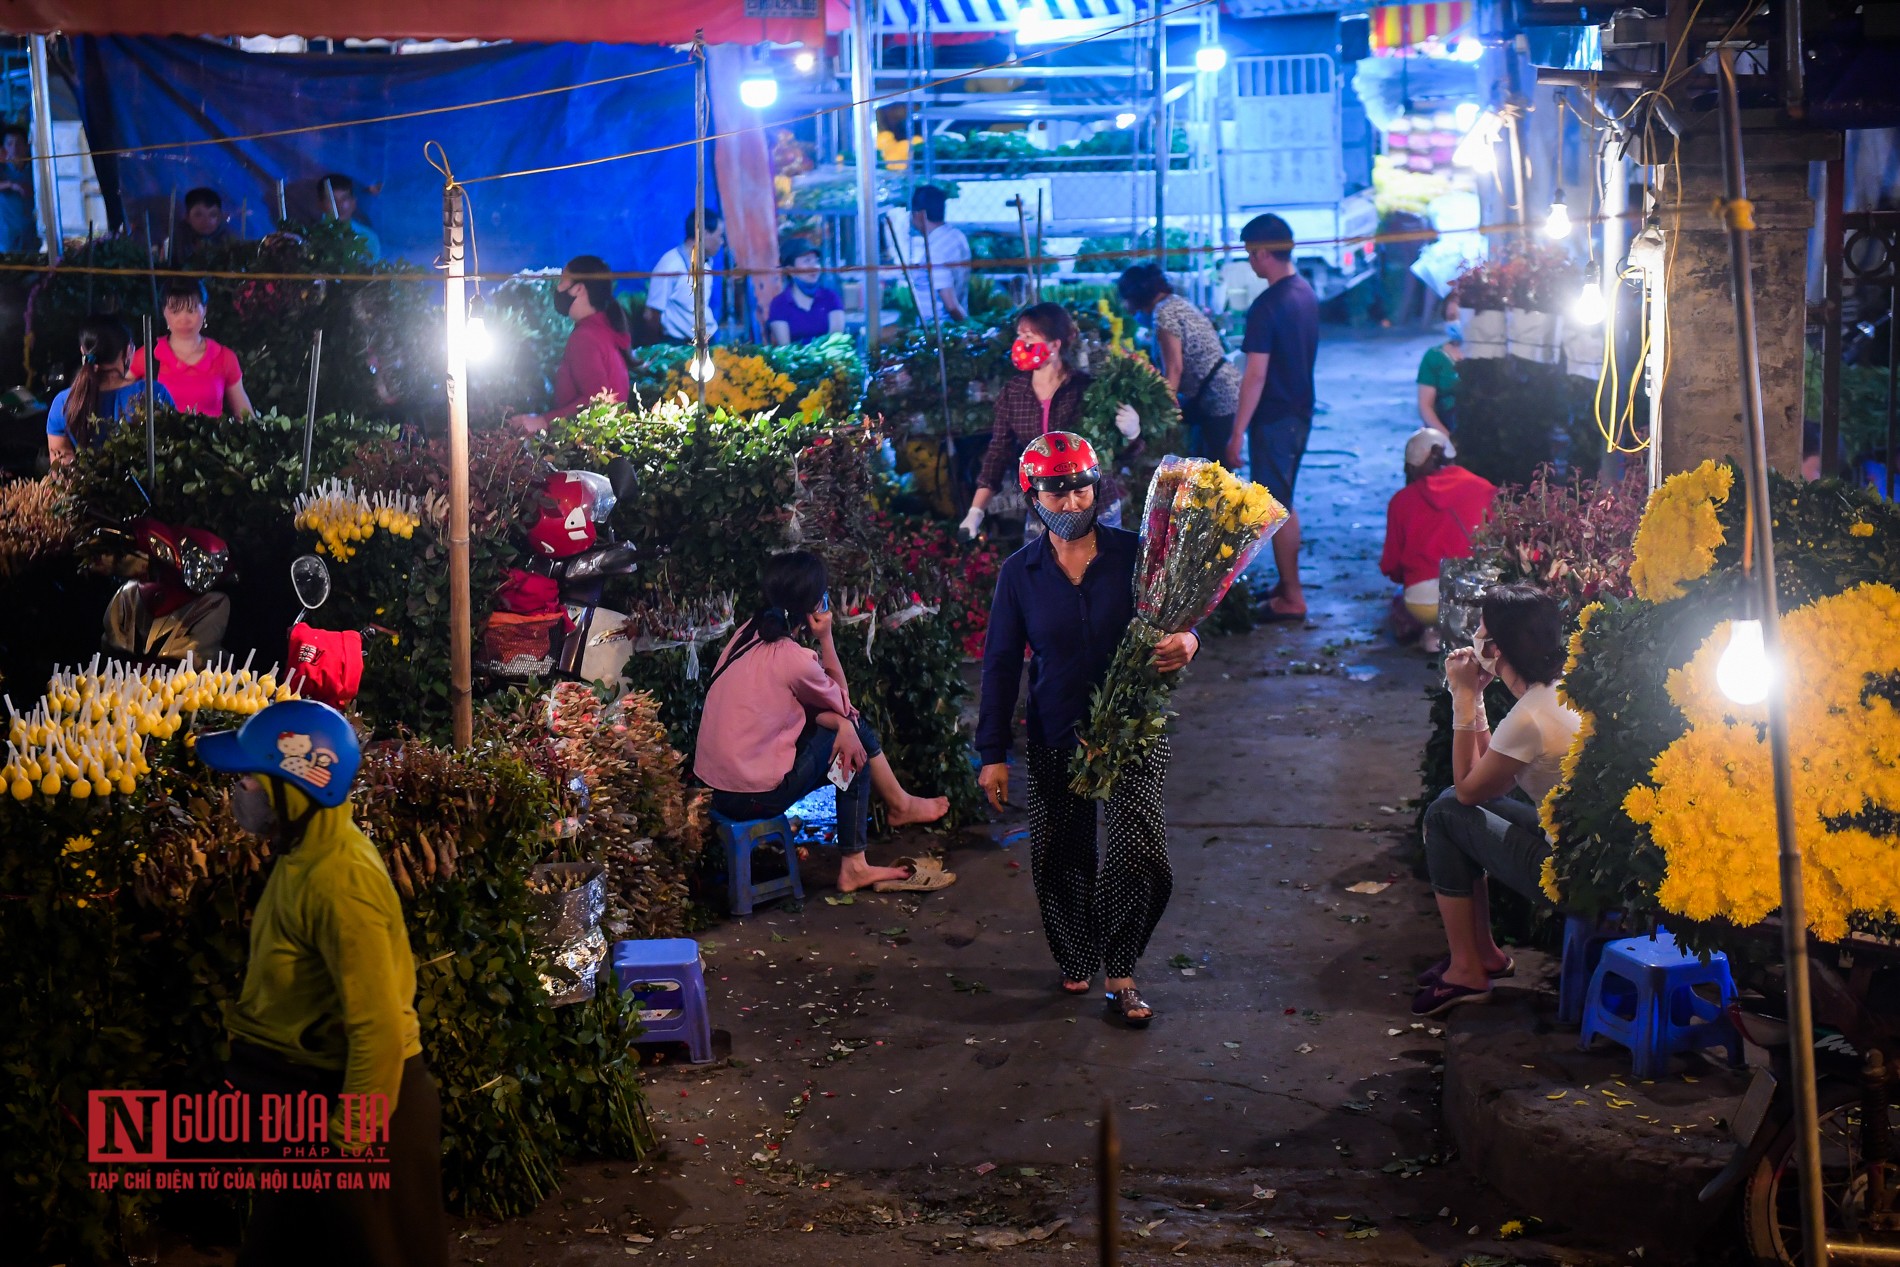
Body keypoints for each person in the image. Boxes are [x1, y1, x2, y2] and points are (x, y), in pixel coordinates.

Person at [198, 700, 449, 1267]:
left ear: (295, 787)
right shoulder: (302, 854)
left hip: (358, 1108)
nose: (239, 791)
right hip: (310, 1105)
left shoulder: (340, 878)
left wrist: (347, 1146)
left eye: (249, 780)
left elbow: (379, 1028)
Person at [976, 433, 1199, 1027]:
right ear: (1032, 495)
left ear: (1097, 486)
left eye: (1081, 487)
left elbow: (1187, 615)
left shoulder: (1138, 554)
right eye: (1057, 490)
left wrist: (1190, 641)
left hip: (1131, 730)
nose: (1072, 503)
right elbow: (1000, 665)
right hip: (1055, 731)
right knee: (1061, 851)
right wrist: (992, 753)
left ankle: (1122, 971)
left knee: (1139, 848)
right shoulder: (1018, 575)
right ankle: (1076, 956)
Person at [695, 550, 956, 895]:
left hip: (714, 789)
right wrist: (826, 638)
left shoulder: (746, 634)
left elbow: (802, 706)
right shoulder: (792, 657)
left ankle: (898, 807)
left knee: (847, 730)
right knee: (854, 738)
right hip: (750, 797)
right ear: (817, 603)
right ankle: (860, 860)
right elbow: (844, 704)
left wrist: (840, 722)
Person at [1414, 584, 1580, 1018]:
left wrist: (1463, 698)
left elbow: (1468, 788)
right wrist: (1479, 700)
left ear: (1495, 647)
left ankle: (1467, 970)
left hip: (1568, 876)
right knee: (1457, 806)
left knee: (1445, 812)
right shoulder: (1557, 692)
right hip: (1584, 849)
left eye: (1482, 628)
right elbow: (1489, 777)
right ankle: (1483, 953)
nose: (1475, 636)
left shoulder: (1530, 717)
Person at [958, 303, 1135, 542]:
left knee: (1098, 575)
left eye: (1029, 337)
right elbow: (997, 453)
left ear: (1055, 344)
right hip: (1043, 510)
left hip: (1094, 508)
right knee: (1043, 576)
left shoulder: (1088, 389)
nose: (1021, 343)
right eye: (1019, 336)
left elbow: (1118, 452)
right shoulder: (1013, 393)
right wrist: (976, 511)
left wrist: (1133, 433)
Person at [1227, 213, 1319, 622]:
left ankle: (1293, 597)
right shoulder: (1305, 293)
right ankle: (1286, 585)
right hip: (1299, 410)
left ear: (1263, 253)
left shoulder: (1267, 305)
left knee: (1277, 507)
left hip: (1275, 417)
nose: (1250, 262)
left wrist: (1236, 434)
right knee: (1284, 501)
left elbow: (1255, 375)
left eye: (1250, 254)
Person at [1381, 428, 1495, 653]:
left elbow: (1391, 566)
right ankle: (1468, 632)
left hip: (1424, 604)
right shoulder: (1485, 489)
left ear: (1411, 467)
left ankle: (1432, 634)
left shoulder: (1401, 500)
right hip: (1475, 598)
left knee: (1402, 597)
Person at [1116, 263, 1240, 462]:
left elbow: (1174, 368)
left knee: (1215, 469)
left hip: (1217, 395)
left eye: (1124, 298)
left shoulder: (1163, 314)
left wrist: (1162, 413)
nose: (1124, 305)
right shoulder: (1174, 303)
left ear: (1136, 295)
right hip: (1217, 390)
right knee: (1205, 463)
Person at [507, 255, 633, 435]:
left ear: (579, 289)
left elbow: (597, 402)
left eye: (563, 281)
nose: (557, 288)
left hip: (593, 443)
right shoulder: (604, 330)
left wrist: (542, 421)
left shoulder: (585, 338)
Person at [46, 315, 175, 465]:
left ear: (83, 351)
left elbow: (62, 466)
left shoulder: (64, 402)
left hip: (87, 488)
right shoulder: (154, 393)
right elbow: (172, 449)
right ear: (128, 351)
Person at [131, 278, 253, 418]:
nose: (184, 319)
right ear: (164, 312)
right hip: (162, 439)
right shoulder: (148, 356)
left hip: (210, 439)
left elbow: (246, 418)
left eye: (191, 310)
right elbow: (118, 394)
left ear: (204, 310)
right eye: (175, 311)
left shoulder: (225, 357)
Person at [646, 210, 724, 344]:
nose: (721, 242)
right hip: (681, 345)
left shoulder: (706, 265)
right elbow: (651, 314)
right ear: (704, 234)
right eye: (720, 236)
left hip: (707, 342)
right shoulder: (670, 264)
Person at [907, 185, 971, 326]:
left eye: (912, 213)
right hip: (954, 329)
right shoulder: (957, 237)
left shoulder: (935, 251)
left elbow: (951, 305)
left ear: (920, 214)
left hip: (940, 331)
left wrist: (969, 328)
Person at [767, 238, 844, 344]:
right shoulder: (779, 304)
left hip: (829, 360)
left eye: (816, 261)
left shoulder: (831, 298)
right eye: (807, 261)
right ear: (790, 270)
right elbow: (785, 348)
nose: (814, 267)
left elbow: (836, 342)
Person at [1416, 296, 1463, 439]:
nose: (1456, 322)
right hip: (1445, 434)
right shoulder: (1434, 357)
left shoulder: (1490, 355)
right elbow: (1425, 407)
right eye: (1451, 317)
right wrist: (1448, 439)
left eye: (1461, 316)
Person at [320, 173, 381, 257]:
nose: (339, 205)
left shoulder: (369, 239)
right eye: (332, 200)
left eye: (344, 198)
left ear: (353, 202)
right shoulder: (309, 235)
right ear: (321, 204)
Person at [0, 124, 36, 254]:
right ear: (4, 148)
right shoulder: (2, 170)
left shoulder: (36, 170)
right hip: (6, 239)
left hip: (32, 236)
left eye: (19, 143)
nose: (14, 148)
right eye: (10, 144)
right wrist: (11, 185)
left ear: (27, 146)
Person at [174, 187, 232, 254]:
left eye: (213, 215)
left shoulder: (228, 240)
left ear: (219, 217)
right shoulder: (178, 237)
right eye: (198, 215)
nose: (206, 221)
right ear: (187, 217)